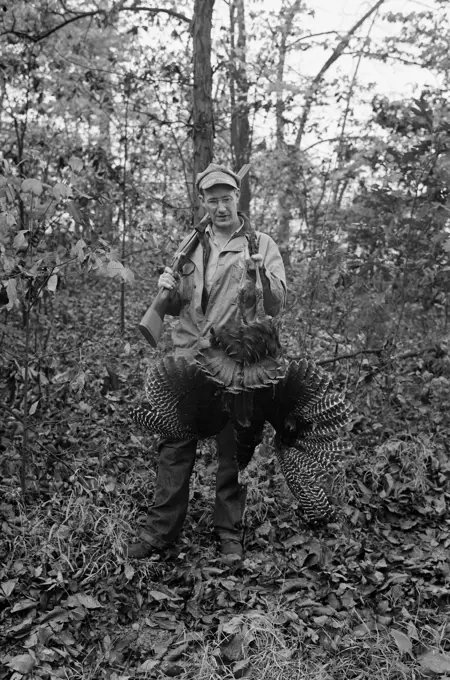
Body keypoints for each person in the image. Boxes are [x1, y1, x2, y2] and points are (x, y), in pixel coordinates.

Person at [127, 163, 286, 560]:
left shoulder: (260, 243)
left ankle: (229, 532)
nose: (220, 207)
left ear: (238, 199)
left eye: (226, 198)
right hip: (187, 355)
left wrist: (261, 274)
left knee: (234, 446)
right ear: (203, 202)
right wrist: (167, 289)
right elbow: (181, 301)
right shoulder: (191, 243)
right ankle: (160, 534)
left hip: (236, 359)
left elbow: (277, 305)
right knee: (174, 443)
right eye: (212, 200)